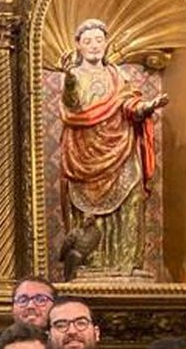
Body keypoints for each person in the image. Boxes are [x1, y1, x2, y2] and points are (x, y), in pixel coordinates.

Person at [56, 19, 166, 277]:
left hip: (121, 149)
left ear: (106, 44)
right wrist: (70, 81)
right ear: (78, 46)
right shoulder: (73, 76)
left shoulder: (119, 75)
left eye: (98, 40)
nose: (94, 46)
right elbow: (71, 106)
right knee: (87, 214)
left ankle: (127, 266)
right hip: (84, 153)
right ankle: (89, 267)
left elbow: (129, 105)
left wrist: (146, 107)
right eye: (88, 41)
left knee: (132, 198)